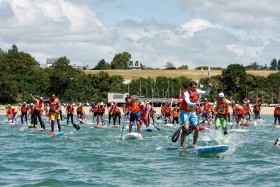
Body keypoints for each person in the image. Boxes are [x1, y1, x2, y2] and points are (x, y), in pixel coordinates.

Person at [180, 80, 212, 148]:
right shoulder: (186, 93)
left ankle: (194, 144)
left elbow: (207, 93)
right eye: (193, 87)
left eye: (196, 87)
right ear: (190, 87)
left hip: (192, 112)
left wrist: (209, 88)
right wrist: (195, 103)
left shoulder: (197, 91)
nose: (195, 88)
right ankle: (182, 144)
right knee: (186, 127)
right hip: (184, 112)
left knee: (197, 128)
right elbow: (188, 103)